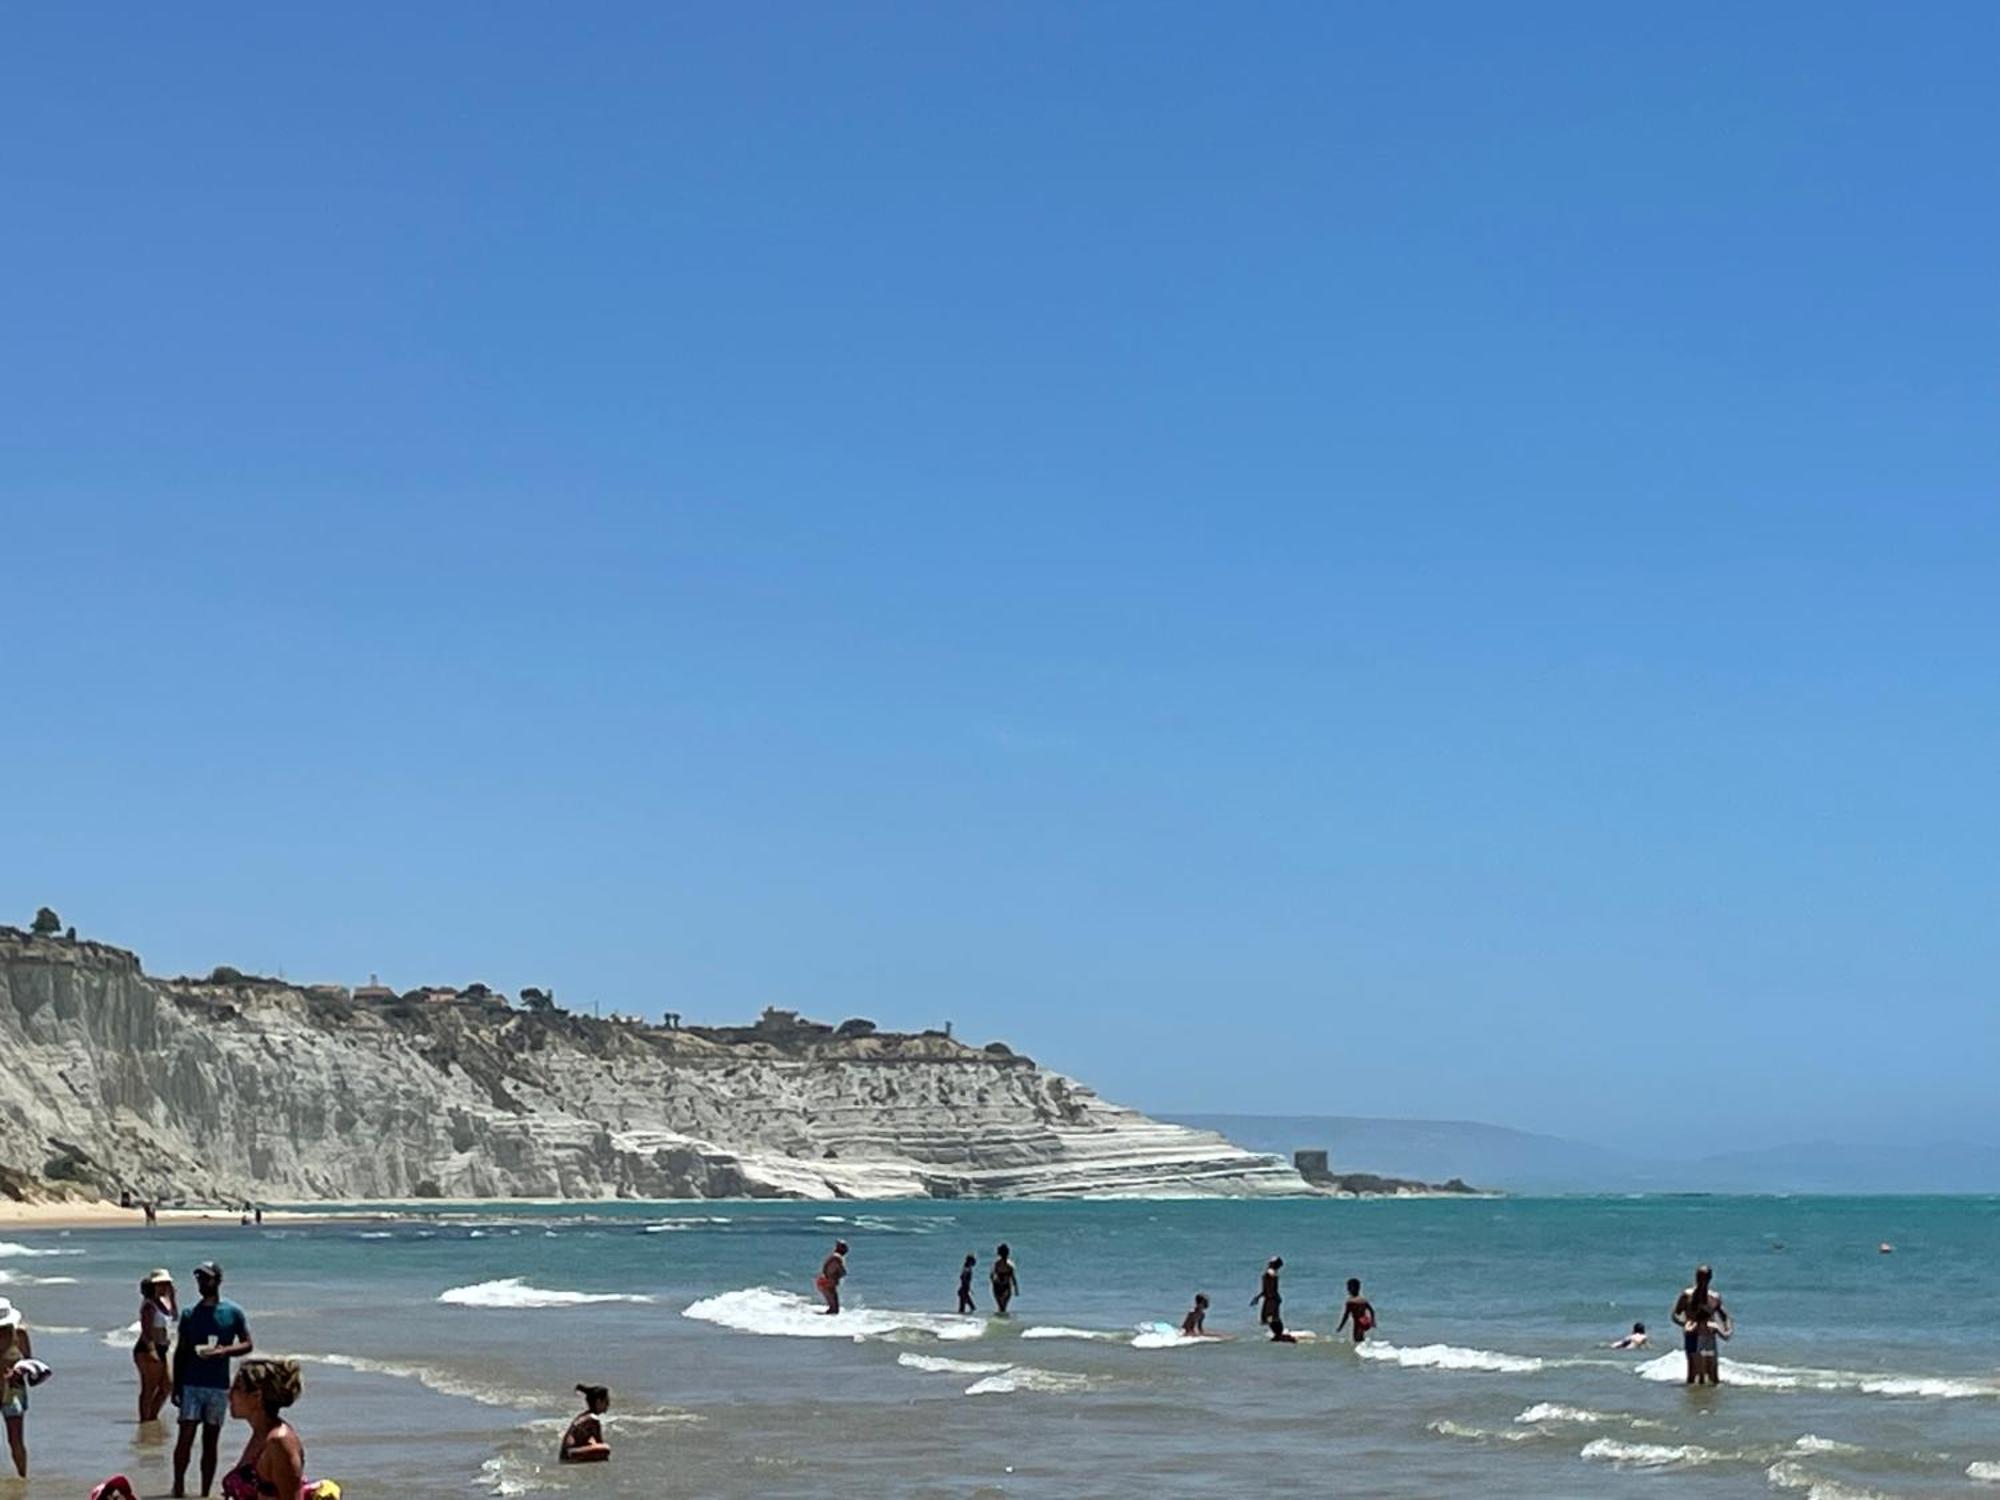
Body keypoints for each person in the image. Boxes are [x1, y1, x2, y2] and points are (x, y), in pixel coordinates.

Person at [174, 1262, 254, 1498]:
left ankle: (204, 1492)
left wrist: (224, 1352)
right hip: (191, 1384)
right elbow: (181, 1351)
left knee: (211, 1441)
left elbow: (248, 1343)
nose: (202, 1284)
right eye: (199, 1279)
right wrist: (176, 1385)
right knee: (185, 1437)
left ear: (218, 1280)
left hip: (218, 1386)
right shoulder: (190, 1314)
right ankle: (178, 1487)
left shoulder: (232, 1312)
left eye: (207, 1279)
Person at [221, 1358, 303, 1500]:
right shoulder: (261, 1435)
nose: (229, 1394)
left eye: (237, 1388)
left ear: (256, 1396)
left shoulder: (279, 1442)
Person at [1670, 1264, 1731, 1386]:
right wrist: (1685, 1323)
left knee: (1712, 1373)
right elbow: (1675, 1314)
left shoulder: (1714, 1297)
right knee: (1693, 1372)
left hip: (1709, 1336)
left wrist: (1726, 1330)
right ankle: (1693, 1400)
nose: (1702, 1280)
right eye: (1700, 1277)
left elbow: (1725, 1316)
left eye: (1705, 1277)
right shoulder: (1687, 1295)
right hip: (1692, 1335)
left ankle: (1712, 1401)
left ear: (1710, 1278)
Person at [136, 1269, 179, 1422]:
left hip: (162, 1347)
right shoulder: (149, 1305)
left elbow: (175, 1316)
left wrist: (173, 1298)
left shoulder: (162, 1302)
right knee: (149, 1387)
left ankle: (151, 1416)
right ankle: (145, 1419)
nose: (164, 1287)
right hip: (148, 1348)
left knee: (167, 1385)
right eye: (161, 1284)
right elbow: (146, 1330)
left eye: (166, 1284)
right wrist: (152, 1350)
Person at [0, 1299, 33, 1477]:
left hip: (13, 1390)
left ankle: (22, 1477)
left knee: (15, 1440)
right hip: (11, 1389)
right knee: (16, 1439)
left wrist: (18, 1371)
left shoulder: (19, 1334)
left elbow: (29, 1362)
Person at [561, 1384, 612, 1464]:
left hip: (567, 1453)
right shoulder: (593, 1419)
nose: (608, 1404)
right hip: (571, 1453)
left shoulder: (585, 1416)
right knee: (606, 1448)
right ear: (598, 1402)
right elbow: (600, 1443)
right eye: (606, 1401)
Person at [1336, 1277, 1376, 1344]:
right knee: (1361, 1339)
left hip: (1357, 1323)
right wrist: (1372, 1321)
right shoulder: (1363, 1300)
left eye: (1348, 1287)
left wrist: (1340, 1327)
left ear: (1351, 1289)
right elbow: (1372, 1311)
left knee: (1357, 1340)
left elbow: (1346, 1315)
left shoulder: (1350, 1301)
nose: (1347, 1289)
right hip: (1364, 1322)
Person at [816, 1241, 848, 1315]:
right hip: (827, 1282)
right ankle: (827, 1323)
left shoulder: (834, 1256)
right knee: (834, 1309)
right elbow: (841, 1271)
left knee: (834, 1308)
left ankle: (826, 1321)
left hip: (825, 1282)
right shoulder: (837, 1257)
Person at [1251, 1257, 1283, 1328]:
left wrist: (1258, 1297)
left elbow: (1266, 1290)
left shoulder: (1268, 1275)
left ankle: (1276, 1333)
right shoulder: (1271, 1276)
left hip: (1270, 1299)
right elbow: (1270, 1290)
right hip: (1272, 1300)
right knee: (1272, 1318)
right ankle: (1278, 1333)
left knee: (1270, 1318)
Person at [990, 1244, 1019, 1317]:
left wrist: (1016, 1289)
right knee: (1002, 1307)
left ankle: (1001, 1321)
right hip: (998, 1287)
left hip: (1005, 1287)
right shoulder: (998, 1264)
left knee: (1002, 1307)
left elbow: (1013, 1278)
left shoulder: (1008, 1265)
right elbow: (992, 1275)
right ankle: (1002, 1322)